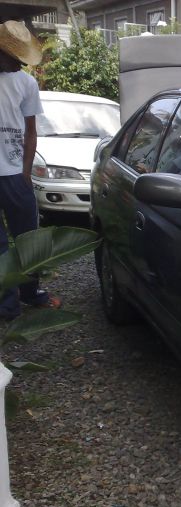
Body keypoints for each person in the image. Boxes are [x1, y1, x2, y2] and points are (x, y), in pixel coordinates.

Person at [0, 19, 60, 320]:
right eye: (15, 58)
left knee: (28, 237)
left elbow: (31, 131)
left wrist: (25, 172)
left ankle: (29, 291)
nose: (20, 64)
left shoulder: (26, 83)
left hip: (15, 173)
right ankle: (7, 304)